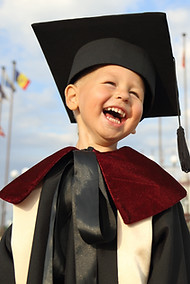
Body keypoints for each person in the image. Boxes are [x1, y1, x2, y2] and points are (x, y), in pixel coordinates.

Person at [0, 12, 190, 284]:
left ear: (136, 123)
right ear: (73, 97)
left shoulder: (154, 194)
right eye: (110, 83)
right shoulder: (34, 190)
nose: (123, 95)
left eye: (136, 94)